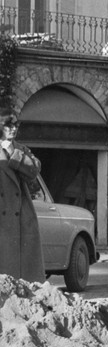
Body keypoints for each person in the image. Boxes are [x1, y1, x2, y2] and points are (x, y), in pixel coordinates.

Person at [0, 107, 44, 283]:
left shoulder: (21, 149)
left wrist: (12, 152)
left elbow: (33, 171)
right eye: (8, 125)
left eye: (16, 125)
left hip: (21, 218)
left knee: (24, 278)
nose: (13, 128)